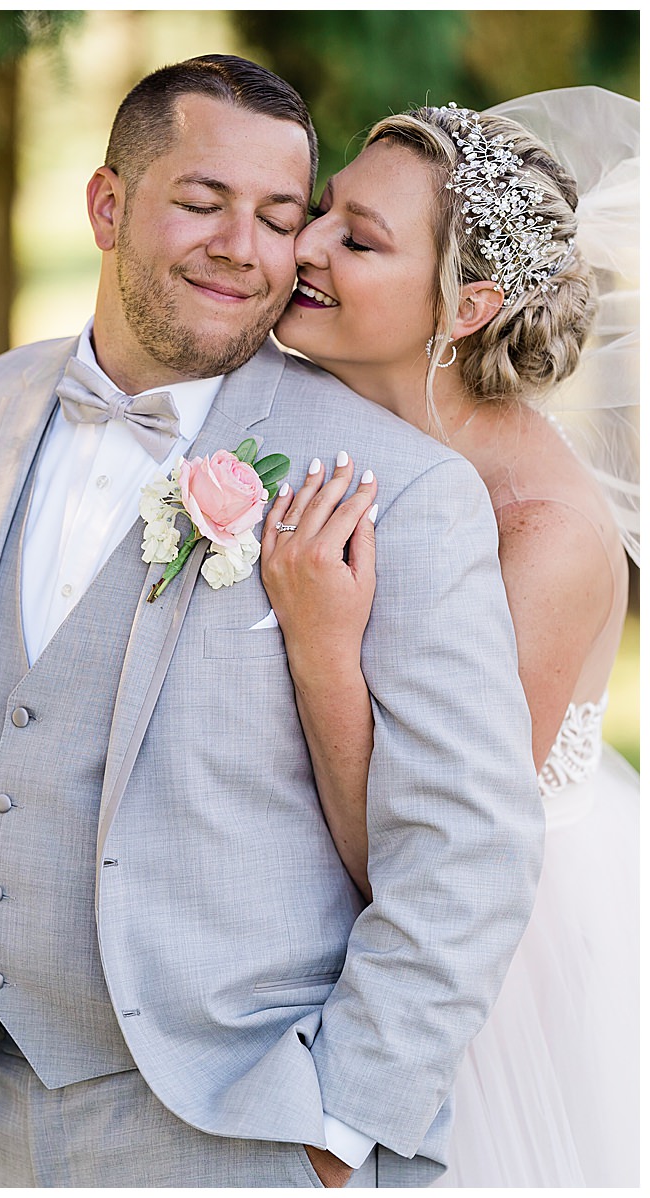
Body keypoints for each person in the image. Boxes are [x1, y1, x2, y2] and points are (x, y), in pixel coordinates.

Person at [0, 54, 543, 1187]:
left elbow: (466, 848)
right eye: (202, 202)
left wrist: (340, 1123)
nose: (245, 247)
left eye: (281, 218)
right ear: (106, 206)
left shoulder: (394, 487)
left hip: (237, 1131)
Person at [263, 88, 639, 1187]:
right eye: (323, 210)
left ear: (466, 304)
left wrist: (322, 643)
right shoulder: (307, 411)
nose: (306, 244)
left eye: (358, 238)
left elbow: (423, 864)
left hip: (489, 979)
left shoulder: (546, 535)